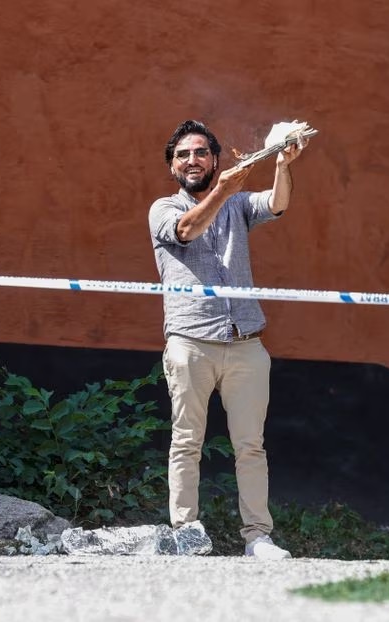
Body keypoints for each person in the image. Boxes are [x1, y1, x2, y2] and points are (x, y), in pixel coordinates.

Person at [148, 120, 306, 560]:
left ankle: (258, 537)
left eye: (200, 153)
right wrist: (224, 189)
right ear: (172, 166)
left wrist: (282, 162)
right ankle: (186, 532)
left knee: (250, 446)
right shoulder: (162, 208)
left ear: (215, 160)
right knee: (186, 442)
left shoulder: (238, 204)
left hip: (246, 342)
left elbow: (278, 203)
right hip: (190, 341)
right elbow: (187, 231)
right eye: (183, 154)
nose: (192, 160)